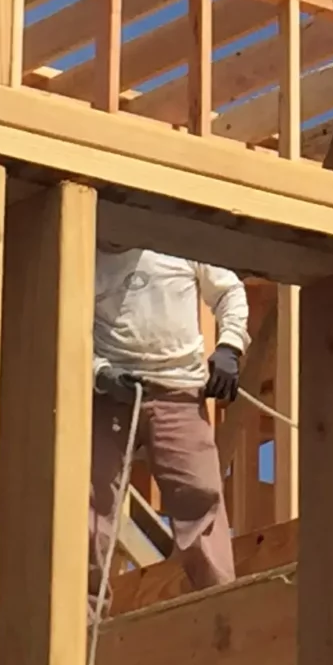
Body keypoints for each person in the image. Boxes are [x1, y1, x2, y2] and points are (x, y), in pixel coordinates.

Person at [92, 246, 250, 591]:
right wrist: (100, 373)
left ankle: (219, 613)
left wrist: (229, 346)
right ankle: (79, 630)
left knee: (200, 499)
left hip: (178, 390)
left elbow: (228, 291)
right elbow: (64, 322)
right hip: (108, 397)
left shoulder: (178, 240)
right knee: (90, 513)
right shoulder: (85, 240)